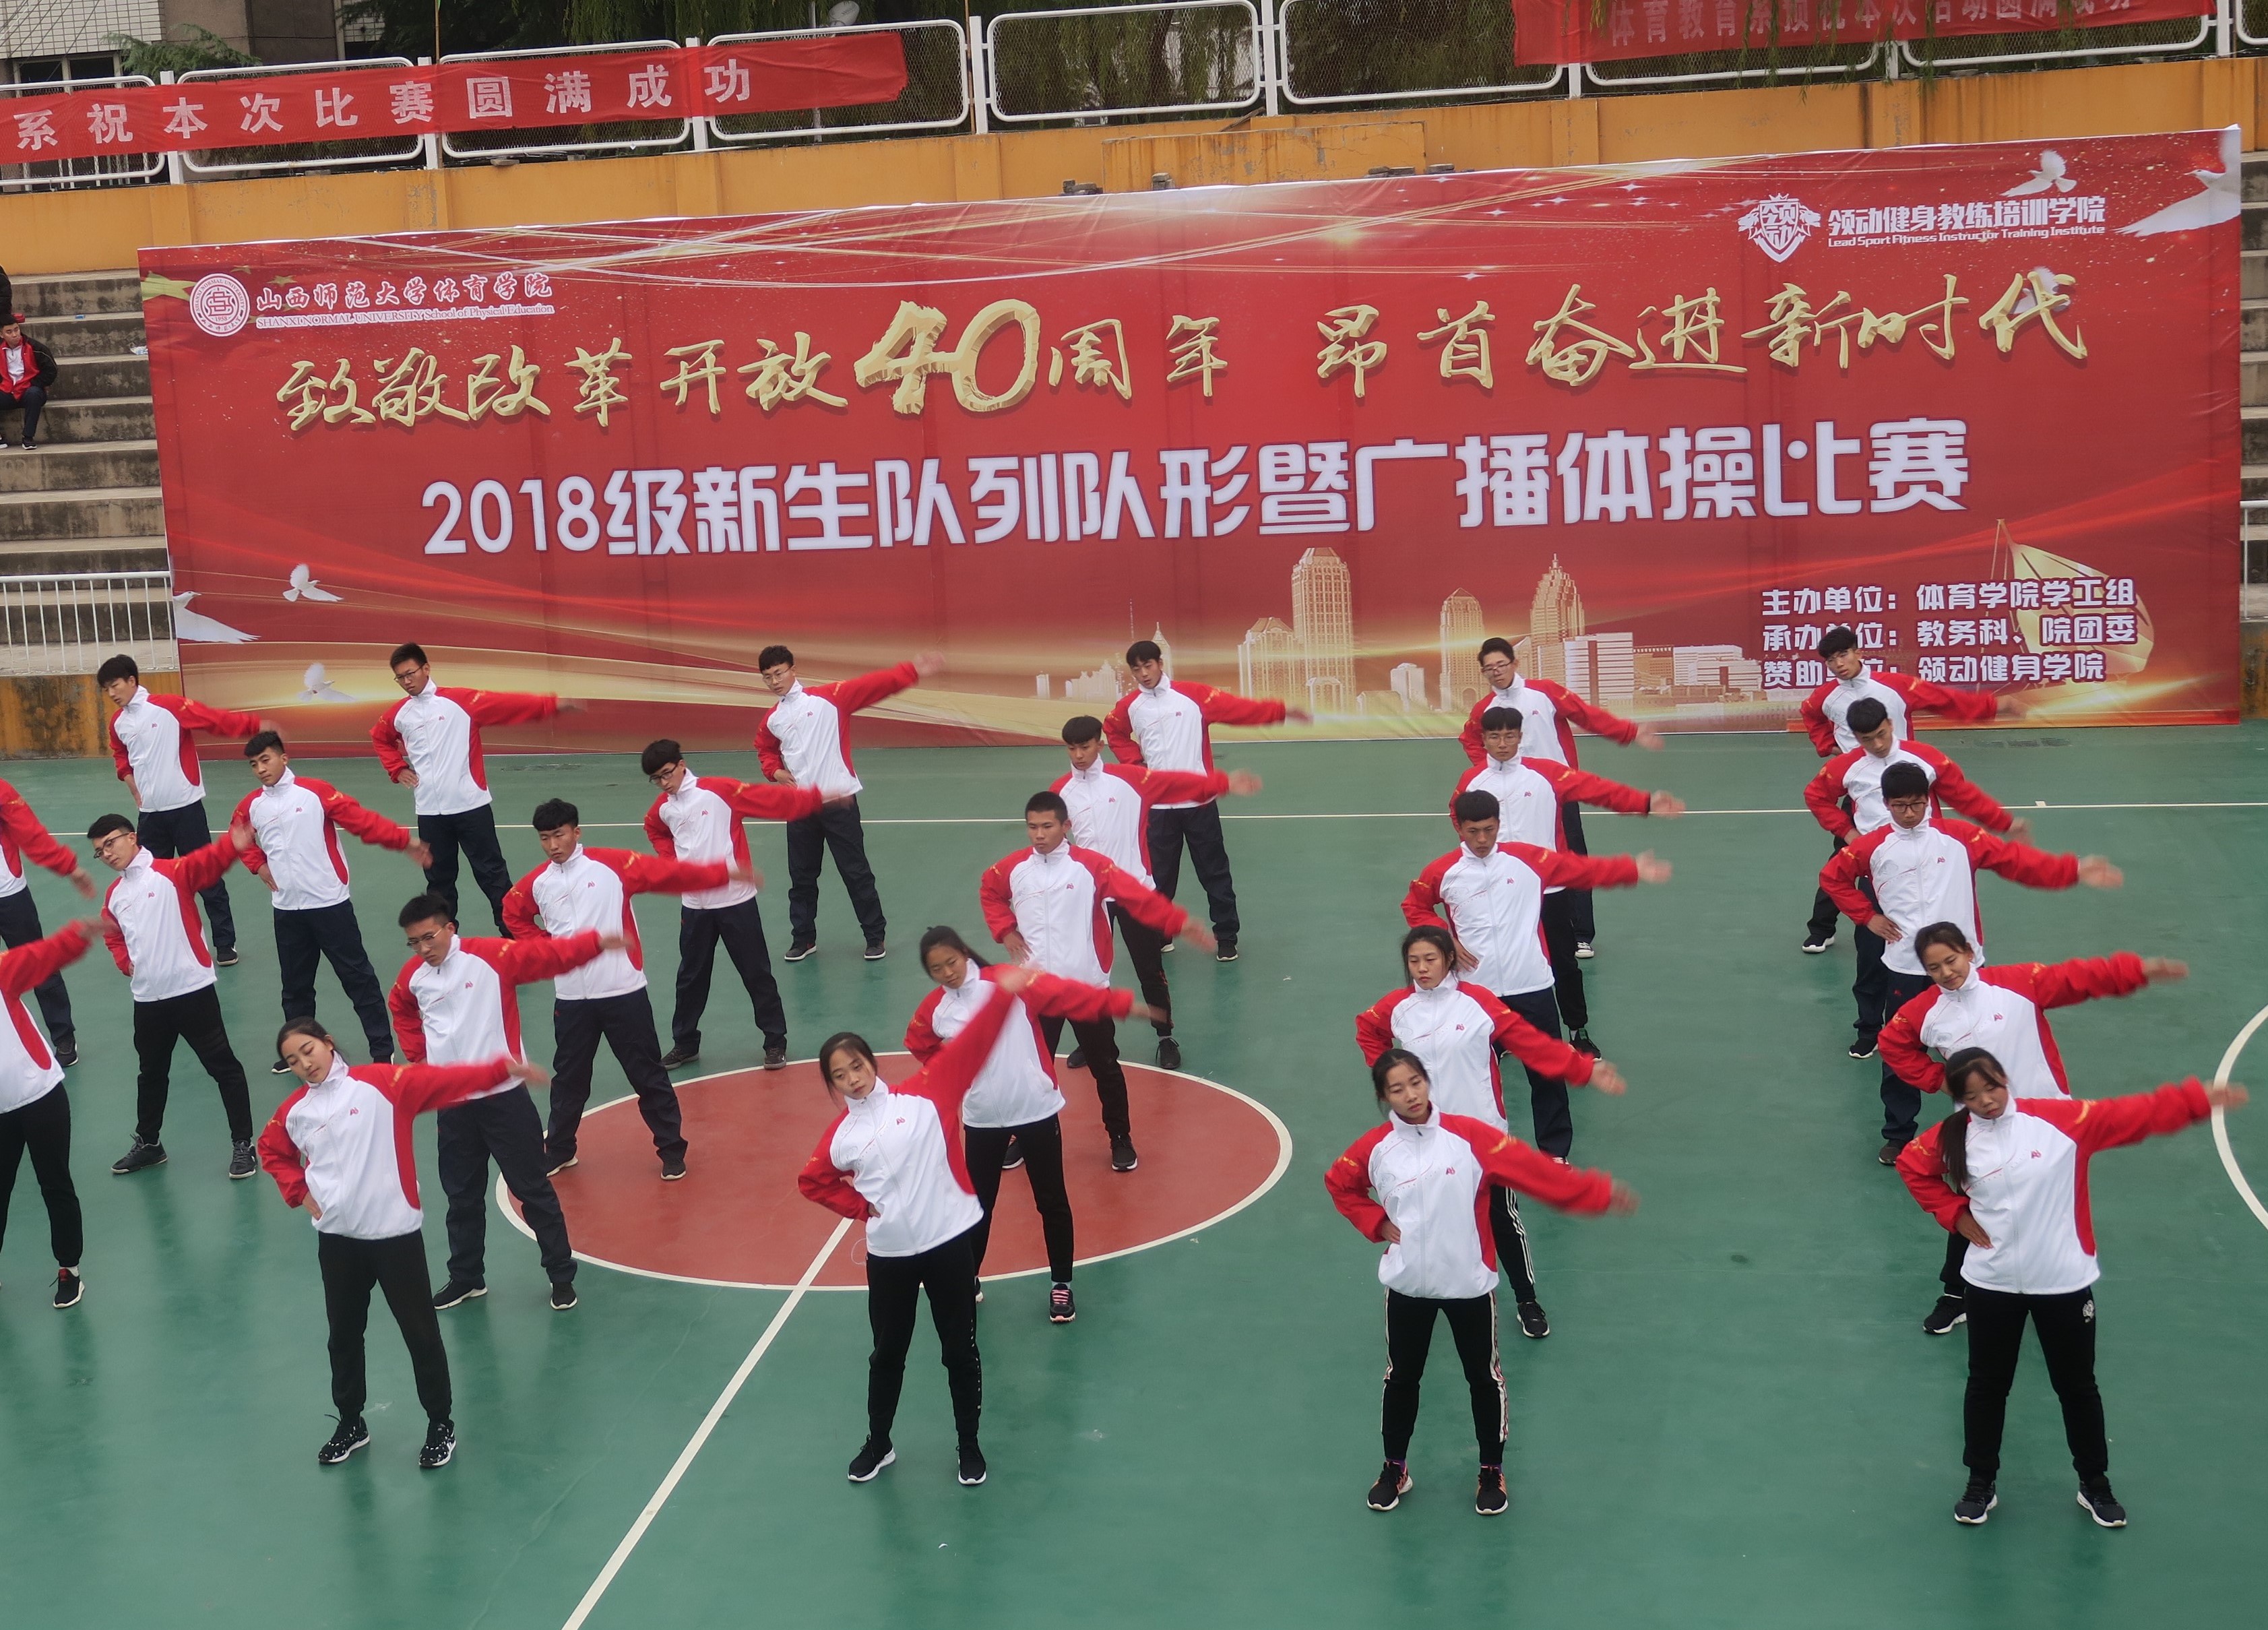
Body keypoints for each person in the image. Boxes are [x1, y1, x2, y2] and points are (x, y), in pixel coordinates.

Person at [1896, 1049, 2243, 1528]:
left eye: (1991, 1087)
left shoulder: (2061, 1122)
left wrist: (2196, 1100)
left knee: (2077, 1387)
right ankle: (1980, 1483)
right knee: (1986, 1386)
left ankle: (2095, 1485)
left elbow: (2132, 1115)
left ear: (2004, 1077)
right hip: (1991, 1283)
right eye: (1972, 1096)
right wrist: (1955, 1214)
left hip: (2062, 1282)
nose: (1986, 1101)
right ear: (1960, 1100)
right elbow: (1912, 1166)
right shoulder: (1954, 1138)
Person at [1327, 1048, 1637, 1516]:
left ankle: (1491, 1469)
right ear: (1383, 1096)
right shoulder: (1374, 1149)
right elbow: (1339, 1183)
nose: (1410, 1094)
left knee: (1483, 1378)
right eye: (1397, 1088)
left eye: (1416, 1082)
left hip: (1468, 1286)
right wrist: (1375, 1222)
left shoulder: (1470, 1138)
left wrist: (1594, 1193)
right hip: (1407, 1286)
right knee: (1401, 1378)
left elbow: (1534, 1171)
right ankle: (1395, 1468)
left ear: (1427, 1082)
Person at [257, 1015, 548, 1470]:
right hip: (337, 1240)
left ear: (329, 1043)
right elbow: (271, 1151)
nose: (304, 1064)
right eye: (293, 1060)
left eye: (308, 1051)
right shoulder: (295, 1110)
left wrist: (501, 1070)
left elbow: (442, 1080)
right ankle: (351, 1422)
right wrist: (300, 1192)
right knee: (344, 1336)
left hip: (394, 1236)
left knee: (420, 1334)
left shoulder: (381, 1084)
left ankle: (440, 1424)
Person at [1878, 927, 2184, 1335]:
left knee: (2052, 1207)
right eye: (1934, 968)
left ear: (1969, 952)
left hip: (2051, 1126)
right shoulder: (1924, 1012)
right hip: (1980, 1128)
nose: (1946, 972)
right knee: (1979, 1205)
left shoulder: (2019, 983)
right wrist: (1939, 1080)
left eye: (1951, 960)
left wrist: (2138, 971)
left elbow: (2081, 979)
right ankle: (1957, 1293)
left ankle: (2056, 1294)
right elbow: (1892, 1043)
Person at [1820, 761, 2121, 1163]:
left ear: (1929, 800)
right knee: (1899, 1053)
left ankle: (1998, 1127)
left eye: (1916, 804)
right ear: (1885, 804)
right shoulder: (1870, 847)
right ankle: (1898, 1134)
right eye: (1899, 806)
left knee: (1981, 1047)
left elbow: (2016, 861)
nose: (1909, 813)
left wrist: (2074, 870)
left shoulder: (1961, 837)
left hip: (1966, 971)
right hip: (1907, 971)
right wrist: (1866, 916)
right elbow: (1833, 878)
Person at [797, 967, 1030, 1488]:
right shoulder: (840, 1137)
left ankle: (968, 1445)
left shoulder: (926, 1093)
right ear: (831, 1083)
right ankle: (879, 1443)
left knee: (959, 1350)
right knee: (887, 1352)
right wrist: (863, 1209)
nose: (853, 1078)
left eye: (857, 1065)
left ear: (871, 1062)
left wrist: (1003, 996)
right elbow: (812, 1181)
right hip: (890, 1257)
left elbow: (969, 1045)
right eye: (840, 1074)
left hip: (948, 1247)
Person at [1356, 924, 1629, 1339]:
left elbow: (1531, 1044)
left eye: (1430, 959)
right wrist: (1388, 1076)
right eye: (1414, 962)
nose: (1422, 969)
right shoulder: (1397, 1008)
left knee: (1502, 1219)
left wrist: (1582, 1070)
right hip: (1424, 1136)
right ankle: (1429, 1304)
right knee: (1429, 1217)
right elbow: (1367, 1028)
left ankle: (1526, 1298)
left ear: (1449, 959)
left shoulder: (1479, 1003)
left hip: (1482, 1138)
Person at [907, 925, 1156, 1323]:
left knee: (1051, 1200)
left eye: (951, 962)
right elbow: (919, 1043)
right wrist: (959, 1072)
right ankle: (967, 1279)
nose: (947, 973)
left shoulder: (1011, 983)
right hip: (983, 1118)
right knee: (975, 1207)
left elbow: (1070, 994)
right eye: (937, 969)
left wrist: (1125, 1004)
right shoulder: (934, 1010)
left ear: (965, 953)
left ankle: (1061, 1285)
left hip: (1035, 1109)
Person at [1401, 790, 1670, 1157]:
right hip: (1474, 994)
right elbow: (1414, 904)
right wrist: (1444, 940)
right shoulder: (1442, 871)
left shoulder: (1528, 860)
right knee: (1467, 1074)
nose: (1482, 840)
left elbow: (1580, 869)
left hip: (1532, 985)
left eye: (1489, 830)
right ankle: (1460, 1148)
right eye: (1473, 831)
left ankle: (1554, 1153)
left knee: (1546, 1070)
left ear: (1500, 826)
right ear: (1459, 828)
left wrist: (1632, 869)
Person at [391, 893, 625, 1313]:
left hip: (504, 1102)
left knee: (532, 1190)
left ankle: (560, 1276)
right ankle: (467, 1278)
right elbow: (402, 1010)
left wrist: (593, 943)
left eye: (429, 937)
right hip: (452, 1105)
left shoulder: (490, 956)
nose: (423, 949)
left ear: (450, 929)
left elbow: (545, 956)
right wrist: (420, 1059)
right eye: (413, 942)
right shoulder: (413, 976)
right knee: (461, 1196)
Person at [503, 798, 748, 1181]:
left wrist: (724, 873)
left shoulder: (614, 866)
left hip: (623, 992)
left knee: (647, 1074)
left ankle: (671, 1150)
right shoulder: (537, 883)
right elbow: (512, 912)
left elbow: (668, 874)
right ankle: (561, 1150)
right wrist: (545, 948)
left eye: (559, 835)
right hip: (570, 998)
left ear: (576, 832)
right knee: (569, 1078)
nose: (553, 845)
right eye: (545, 838)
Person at [979, 790, 1211, 1173]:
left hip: (1087, 988)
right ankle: (1027, 1136)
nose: (1039, 835)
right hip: (1036, 992)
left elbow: (1141, 898)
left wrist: (1181, 924)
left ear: (1066, 826)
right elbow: (989, 892)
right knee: (1034, 1070)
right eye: (1032, 827)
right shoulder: (1011, 869)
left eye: (1047, 826)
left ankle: (1120, 1138)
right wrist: (1005, 930)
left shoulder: (1093, 867)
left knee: (1106, 1067)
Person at [1451, 705, 1682, 1053]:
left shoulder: (1546, 773)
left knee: (1563, 962)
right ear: (1483, 740)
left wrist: (1644, 802)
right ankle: (1503, 1036)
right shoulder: (1471, 782)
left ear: (1520, 738)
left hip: (1549, 889)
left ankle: (1578, 1032)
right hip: (1496, 891)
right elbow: (1462, 828)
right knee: (1499, 961)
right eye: (1494, 737)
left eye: (1509, 736)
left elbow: (1595, 789)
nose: (1502, 744)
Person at [1806, 697, 2021, 1059]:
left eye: (1881, 735)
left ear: (1892, 724)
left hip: (1932, 869)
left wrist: (2004, 823)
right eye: (1866, 739)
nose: (1876, 745)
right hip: (1881, 869)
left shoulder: (1926, 757)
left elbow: (1964, 795)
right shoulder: (1847, 768)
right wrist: (1847, 832)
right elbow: (1816, 796)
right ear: (1855, 737)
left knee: (1948, 956)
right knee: (1873, 955)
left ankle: (1957, 1031)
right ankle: (1871, 1029)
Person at [1050, 713, 1261, 1069]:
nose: (1078, 755)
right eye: (1072, 748)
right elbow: (1051, 841)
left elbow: (1177, 784)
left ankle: (1166, 1037)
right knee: (1089, 974)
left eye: (1085, 747)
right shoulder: (1059, 792)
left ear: (1100, 745)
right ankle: (1098, 1042)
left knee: (1150, 971)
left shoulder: (1130, 780)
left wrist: (1222, 782)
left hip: (1135, 894)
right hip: (1091, 900)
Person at [234, 730, 429, 1075]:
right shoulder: (252, 805)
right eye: (253, 765)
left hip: (329, 904)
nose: (261, 769)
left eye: (266, 760)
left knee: (358, 979)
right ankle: (296, 1051)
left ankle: (383, 1051)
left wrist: (403, 841)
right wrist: (258, 864)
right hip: (286, 910)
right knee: (295, 986)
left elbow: (361, 821)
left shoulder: (316, 792)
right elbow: (238, 835)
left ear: (284, 758)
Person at [1459, 635, 1664, 960]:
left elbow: (1587, 715)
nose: (1496, 672)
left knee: (1572, 860)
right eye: (1489, 669)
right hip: (1510, 799)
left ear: (1515, 663)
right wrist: (1487, 773)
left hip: (1557, 794)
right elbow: (1470, 739)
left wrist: (1630, 732)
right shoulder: (1483, 709)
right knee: (1511, 861)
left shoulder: (1545, 693)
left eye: (1501, 665)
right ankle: (1519, 933)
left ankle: (1581, 935)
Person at [1798, 627, 2001, 953]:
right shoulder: (1825, 698)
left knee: (1928, 860)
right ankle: (1822, 928)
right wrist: (1828, 747)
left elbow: (1945, 700)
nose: (1838, 664)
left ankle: (1933, 934)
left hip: (1908, 786)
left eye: (1843, 654)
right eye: (1831, 660)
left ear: (1858, 652)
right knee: (1847, 861)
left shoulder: (1894, 687)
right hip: (1861, 791)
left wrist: (1993, 707)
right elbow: (1810, 715)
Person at [1102, 640, 1306, 962]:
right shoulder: (1130, 706)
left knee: (1214, 873)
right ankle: (1161, 932)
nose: (1144, 674)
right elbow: (1112, 730)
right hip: (1156, 808)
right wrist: (1135, 763)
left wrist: (1280, 711)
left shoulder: (1194, 696)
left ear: (1160, 663)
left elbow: (1239, 710)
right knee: (1158, 878)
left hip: (1199, 804)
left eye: (1148, 666)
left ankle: (1226, 936)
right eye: (1137, 669)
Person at [640, 739, 830, 1071]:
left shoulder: (720, 791)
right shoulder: (663, 807)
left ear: (682, 764)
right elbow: (654, 829)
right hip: (695, 907)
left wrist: (813, 799)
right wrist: (674, 864)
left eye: (667, 774)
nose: (664, 783)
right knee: (690, 978)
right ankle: (685, 1043)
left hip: (736, 902)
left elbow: (769, 799)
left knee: (756, 973)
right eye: (656, 779)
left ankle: (775, 1042)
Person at [88, 811, 256, 1179]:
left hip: (192, 991)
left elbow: (207, 862)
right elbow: (113, 934)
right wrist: (124, 963)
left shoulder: (171, 872)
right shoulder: (115, 894)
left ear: (132, 838)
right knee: (151, 1073)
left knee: (224, 1068)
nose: (107, 853)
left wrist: (233, 844)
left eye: (111, 843)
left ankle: (243, 1145)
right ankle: (150, 1144)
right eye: (100, 852)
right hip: (147, 1000)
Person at [753, 645, 943, 963]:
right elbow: (765, 749)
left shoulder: (831, 698)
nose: (774, 681)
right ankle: (803, 939)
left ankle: (874, 936)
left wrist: (912, 671)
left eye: (779, 673)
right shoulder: (773, 719)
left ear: (793, 670)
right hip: (799, 807)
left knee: (855, 872)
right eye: (767, 677)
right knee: (801, 877)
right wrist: (774, 771)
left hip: (839, 803)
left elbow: (873, 685)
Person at [371, 643, 571, 935]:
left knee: (493, 876)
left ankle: (513, 935)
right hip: (429, 812)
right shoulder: (398, 715)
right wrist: (397, 768)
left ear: (426, 669)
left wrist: (550, 704)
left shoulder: (462, 701)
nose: (406, 681)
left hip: (471, 807)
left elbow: (508, 705)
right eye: (400, 677)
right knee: (439, 882)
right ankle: (444, 940)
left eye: (410, 673)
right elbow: (379, 738)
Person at [98, 654, 261, 968]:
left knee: (207, 877)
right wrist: (130, 781)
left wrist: (254, 726)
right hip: (150, 816)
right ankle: (157, 945)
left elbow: (214, 720)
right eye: (106, 690)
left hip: (186, 809)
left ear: (133, 681)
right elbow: (121, 754)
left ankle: (225, 945)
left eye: (115, 686)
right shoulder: (118, 723)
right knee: (147, 881)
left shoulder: (170, 706)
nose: (112, 694)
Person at [0, 919, 99, 1309]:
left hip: (41, 1096)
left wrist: (78, 934)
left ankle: (69, 1270)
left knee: (54, 1183)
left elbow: (42, 956)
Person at [0, 776, 96, 1068]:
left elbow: (30, 833)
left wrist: (69, 868)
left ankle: (63, 1035)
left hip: (8, 894)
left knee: (40, 963)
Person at [0, 313, 56, 450]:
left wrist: (35, 383)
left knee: (34, 394)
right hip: (7, 390)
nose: (14, 335)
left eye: (16, 330)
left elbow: (51, 370)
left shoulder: (36, 348)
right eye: (9, 332)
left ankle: (28, 437)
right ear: (1, 335)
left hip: (30, 390)